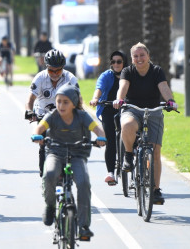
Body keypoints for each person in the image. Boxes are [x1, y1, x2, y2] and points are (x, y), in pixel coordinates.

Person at [32, 84, 107, 239]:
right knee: (50, 174)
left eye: (65, 102)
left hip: (78, 154)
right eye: (59, 101)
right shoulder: (52, 115)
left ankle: (83, 226)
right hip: (55, 152)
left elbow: (98, 129)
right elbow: (39, 128)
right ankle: (51, 206)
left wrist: (101, 138)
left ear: (73, 103)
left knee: (83, 183)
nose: (61, 105)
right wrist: (37, 136)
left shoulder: (82, 116)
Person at [113, 43, 177, 205]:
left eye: (142, 55)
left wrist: (170, 101)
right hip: (132, 109)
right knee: (127, 125)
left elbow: (163, 87)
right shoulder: (128, 71)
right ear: (132, 59)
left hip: (154, 110)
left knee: (155, 152)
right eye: (136, 56)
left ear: (148, 56)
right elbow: (123, 86)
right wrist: (120, 99)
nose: (139, 58)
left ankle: (155, 190)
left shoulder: (156, 71)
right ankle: (128, 155)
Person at [26, 49, 79, 177]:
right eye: (51, 70)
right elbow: (30, 99)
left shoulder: (70, 78)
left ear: (63, 68)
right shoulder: (40, 78)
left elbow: (77, 100)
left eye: (58, 70)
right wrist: (29, 111)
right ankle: (44, 174)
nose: (55, 73)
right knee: (43, 143)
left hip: (64, 115)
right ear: (46, 67)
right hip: (43, 114)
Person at [89, 50, 129, 185]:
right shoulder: (106, 75)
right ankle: (110, 173)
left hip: (126, 109)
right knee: (110, 140)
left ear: (124, 62)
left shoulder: (130, 74)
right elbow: (99, 88)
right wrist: (95, 99)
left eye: (119, 61)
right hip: (108, 109)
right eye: (113, 62)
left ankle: (133, 153)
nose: (116, 64)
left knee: (133, 132)